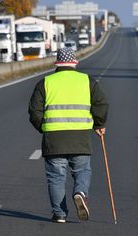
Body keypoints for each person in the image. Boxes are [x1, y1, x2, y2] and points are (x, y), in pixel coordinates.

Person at [28, 47, 109, 223]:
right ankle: (80, 192)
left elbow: (34, 111)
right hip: (80, 138)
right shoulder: (86, 81)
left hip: (54, 140)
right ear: (74, 62)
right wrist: (99, 124)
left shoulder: (45, 83)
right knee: (82, 171)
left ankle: (60, 214)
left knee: (56, 178)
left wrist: (43, 127)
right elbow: (101, 103)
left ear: (57, 63)